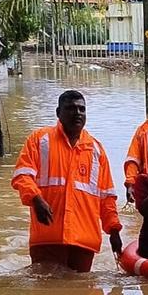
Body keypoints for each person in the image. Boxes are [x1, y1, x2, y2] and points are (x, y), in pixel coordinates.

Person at [12, 90, 122, 272]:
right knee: (46, 292)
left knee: (82, 294)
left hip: (84, 241)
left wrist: (114, 231)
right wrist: (36, 199)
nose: (77, 113)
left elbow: (106, 197)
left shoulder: (96, 150)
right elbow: (22, 176)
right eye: (71, 108)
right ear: (58, 112)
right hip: (48, 237)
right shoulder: (40, 140)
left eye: (81, 109)